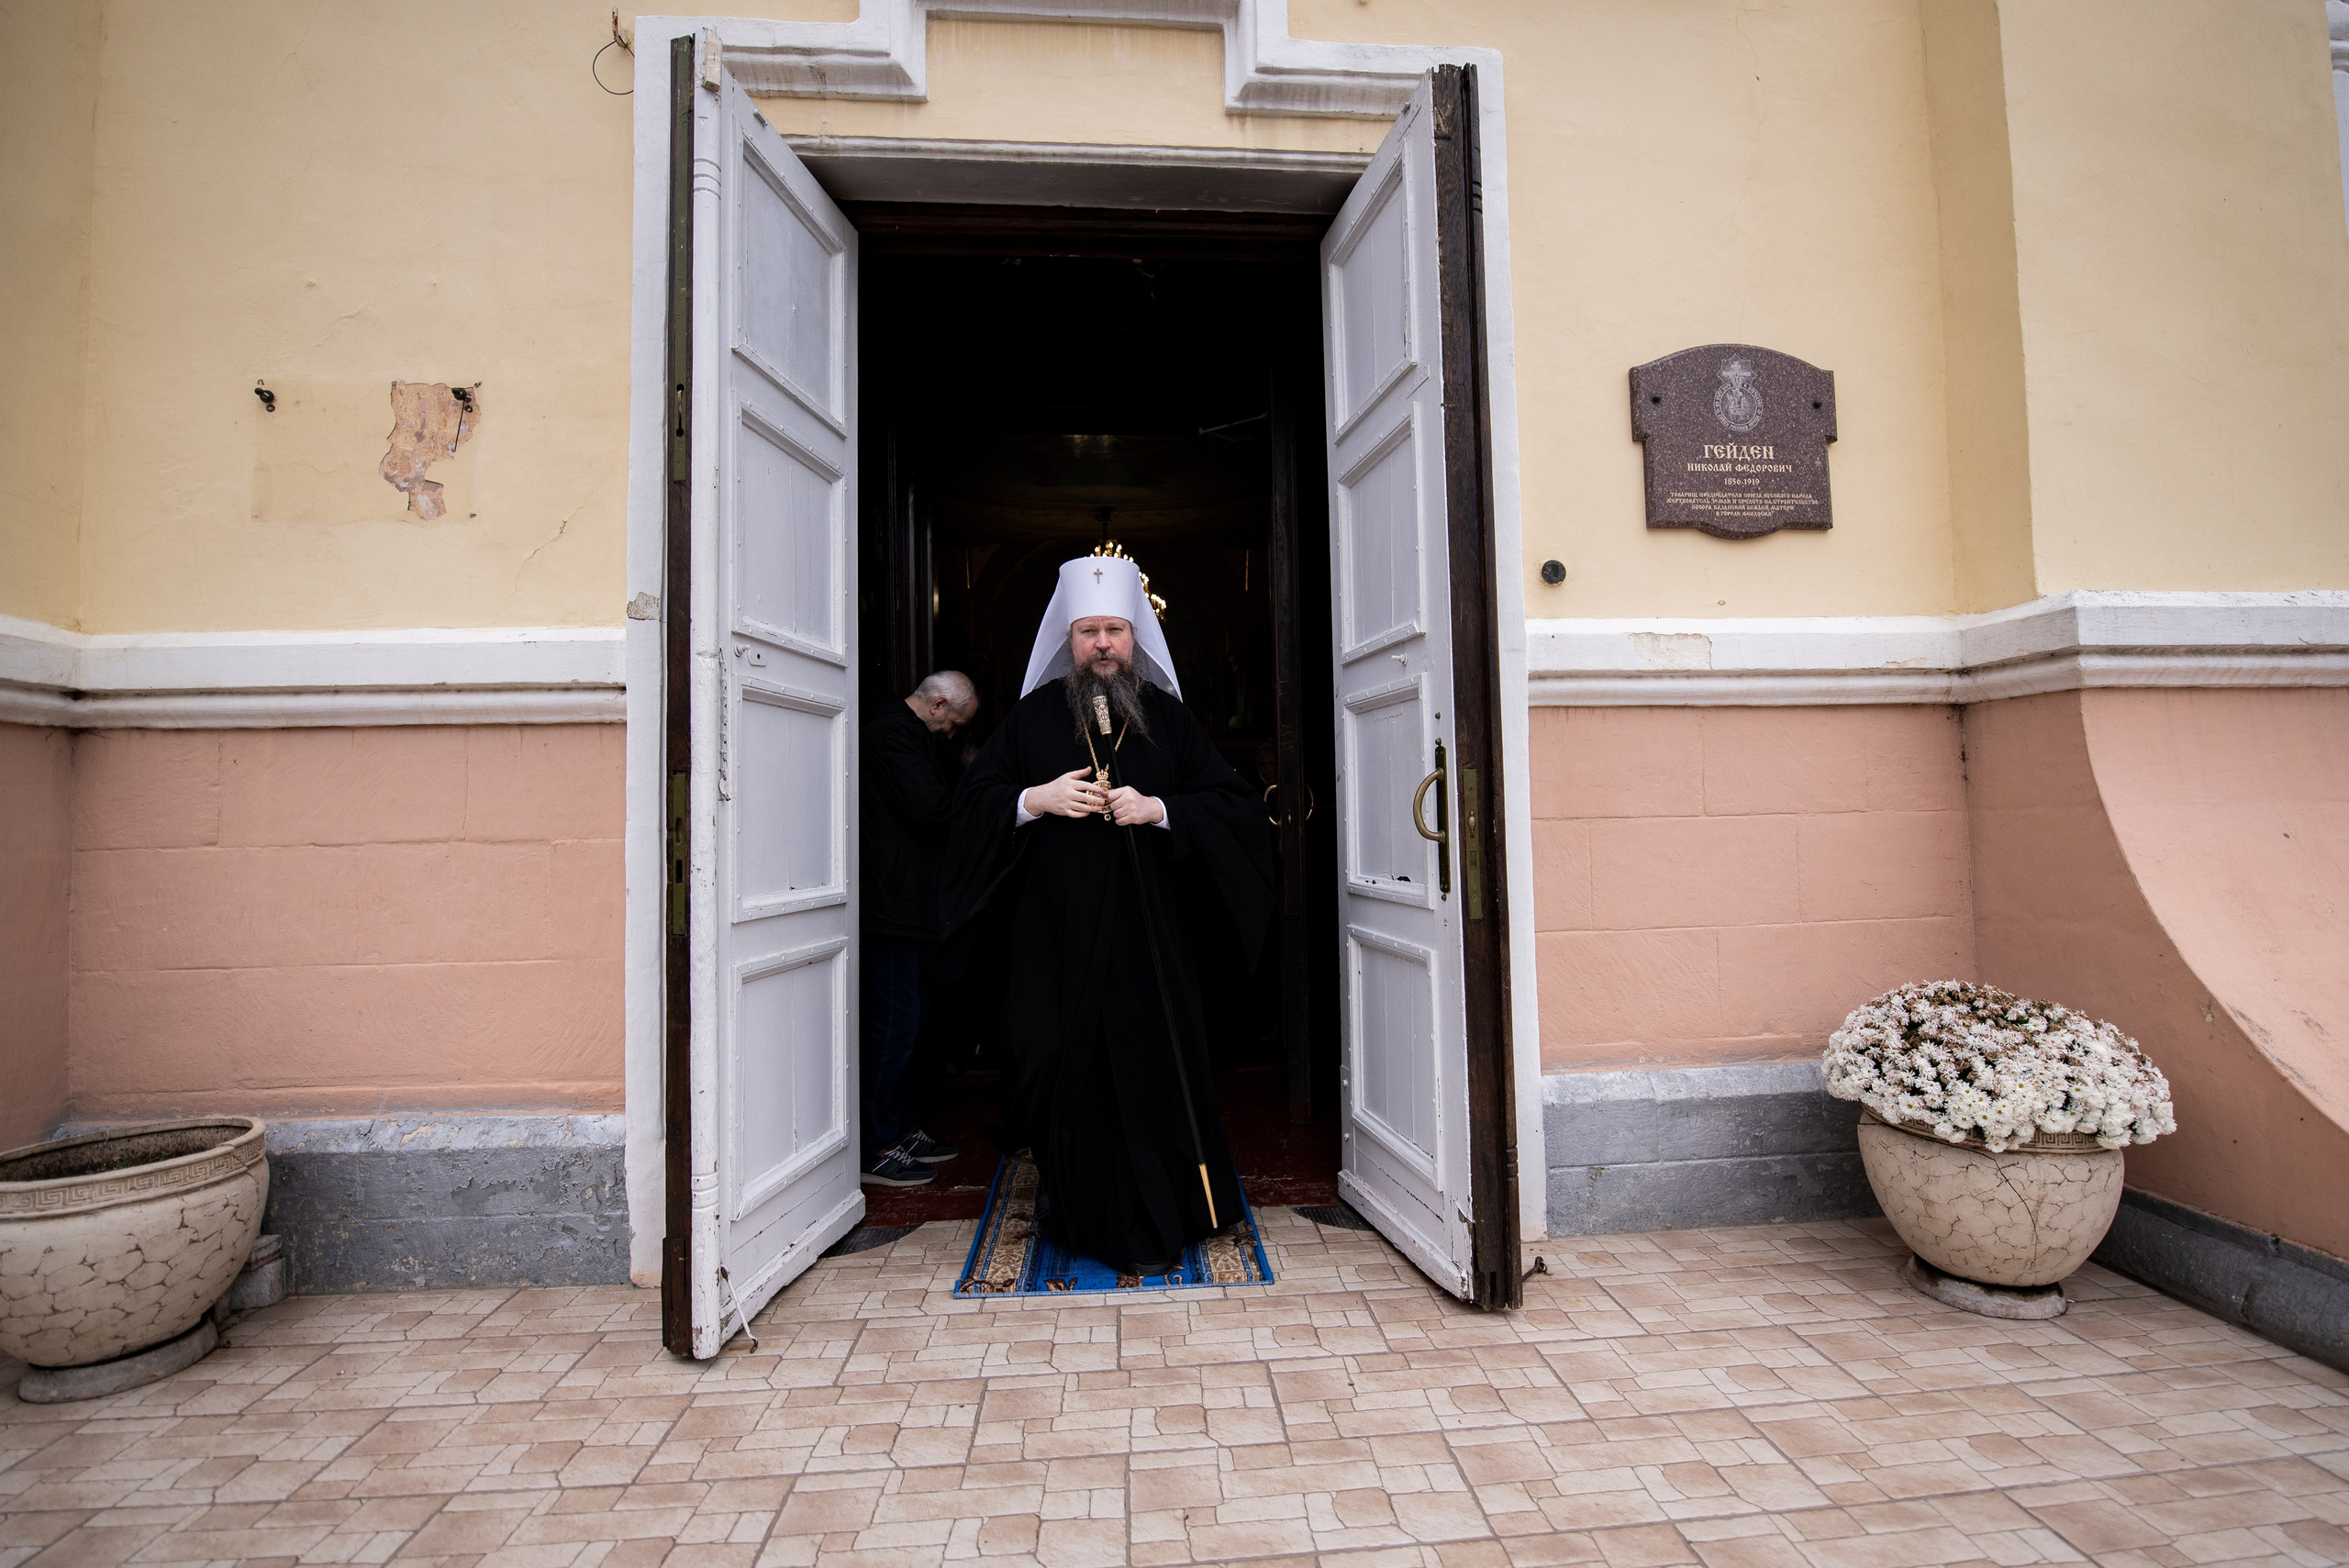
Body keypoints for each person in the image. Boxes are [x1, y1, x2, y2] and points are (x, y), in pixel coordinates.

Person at [938, 556, 1275, 1272]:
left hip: (1150, 944)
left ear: (1134, 636)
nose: (1101, 644)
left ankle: (1168, 1205)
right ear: (1069, 638)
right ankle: (1081, 1208)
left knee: (1154, 1070)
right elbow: (970, 807)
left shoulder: (1171, 722)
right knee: (1059, 1063)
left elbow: (1235, 809)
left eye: (1113, 631)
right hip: (1054, 941)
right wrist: (1034, 800)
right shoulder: (1031, 719)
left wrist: (1161, 809)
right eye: (1088, 630)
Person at [860, 669, 980, 1187]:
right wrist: (979, 796)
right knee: (894, 1025)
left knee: (913, 1022)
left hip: (909, 905)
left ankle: (902, 1129)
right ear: (937, 705)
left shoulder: (906, 732)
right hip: (892, 906)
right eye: (952, 723)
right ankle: (877, 1144)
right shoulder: (891, 732)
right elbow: (931, 808)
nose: (950, 733)